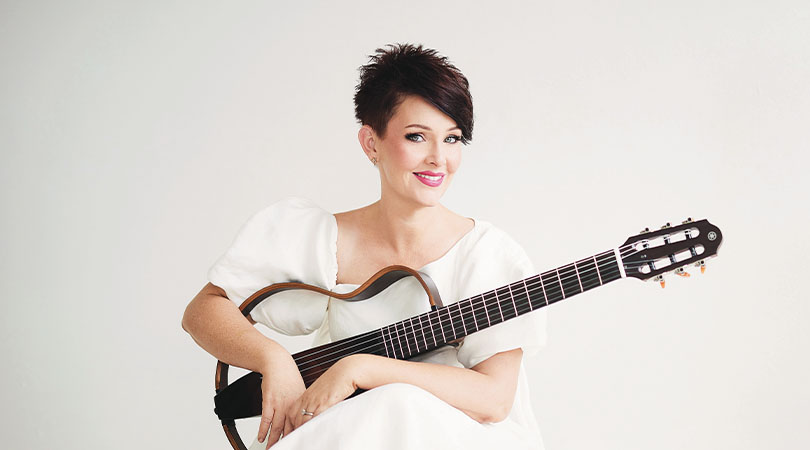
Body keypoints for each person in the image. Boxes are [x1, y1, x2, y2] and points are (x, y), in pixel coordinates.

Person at [182, 43, 547, 449]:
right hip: (353, 436)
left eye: (452, 139)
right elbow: (204, 311)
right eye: (416, 136)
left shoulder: (487, 255)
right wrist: (275, 361)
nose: (438, 159)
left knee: (398, 403)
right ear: (371, 143)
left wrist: (362, 370)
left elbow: (493, 401)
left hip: (463, 438)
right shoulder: (318, 238)